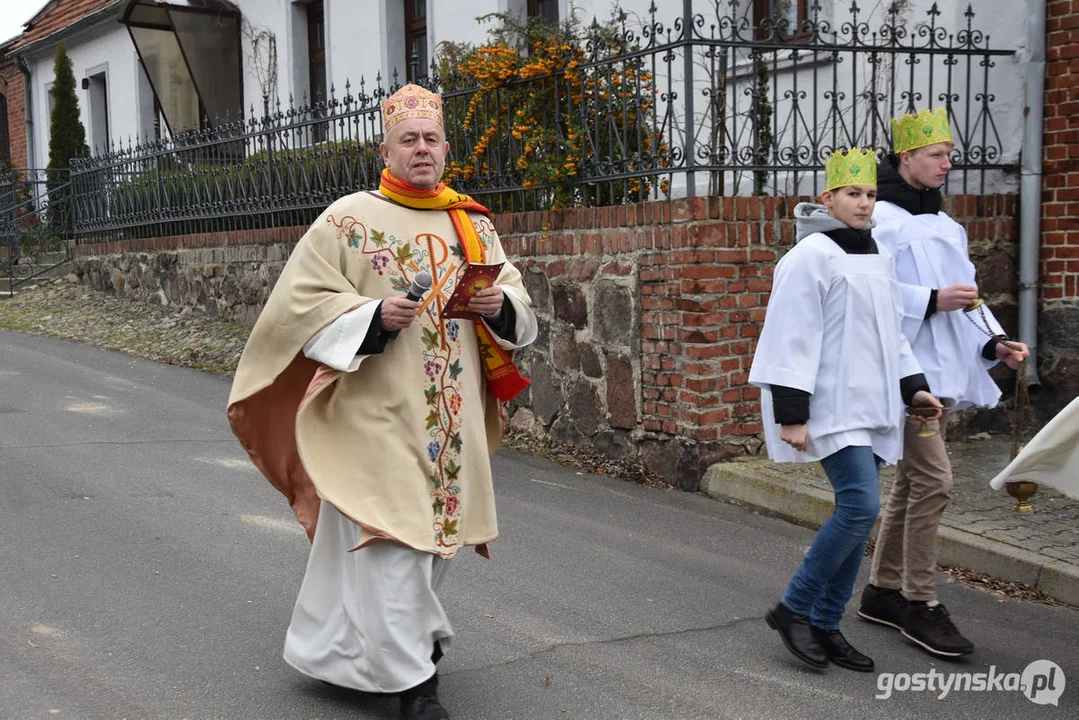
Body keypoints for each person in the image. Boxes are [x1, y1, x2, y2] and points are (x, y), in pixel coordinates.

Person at [227, 84, 538, 720]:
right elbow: (298, 308)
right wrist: (370, 316)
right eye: (409, 140)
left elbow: (518, 303)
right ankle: (413, 688)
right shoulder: (346, 220)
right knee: (390, 541)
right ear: (386, 150)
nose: (421, 149)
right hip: (372, 411)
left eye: (431, 139)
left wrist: (497, 305)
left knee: (431, 543)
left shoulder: (472, 224)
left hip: (449, 418)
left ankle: (343, 653)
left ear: (445, 148)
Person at [750, 148, 943, 673]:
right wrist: (792, 413)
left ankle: (826, 623)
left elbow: (891, 336)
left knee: (858, 519)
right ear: (827, 198)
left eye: (871, 195)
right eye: (853, 194)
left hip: (871, 405)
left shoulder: (875, 254)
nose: (864, 203)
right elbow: (790, 336)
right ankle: (793, 609)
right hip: (829, 406)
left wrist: (914, 388)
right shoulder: (808, 257)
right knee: (860, 507)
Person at [857, 107, 1029, 658]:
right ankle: (919, 602)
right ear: (906, 157)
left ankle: (882, 592)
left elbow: (968, 294)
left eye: (949, 155)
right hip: (910, 375)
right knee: (934, 480)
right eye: (936, 155)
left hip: (943, 371)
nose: (947, 164)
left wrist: (993, 343)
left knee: (912, 481)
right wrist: (930, 301)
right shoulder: (879, 218)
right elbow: (870, 295)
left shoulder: (945, 224)